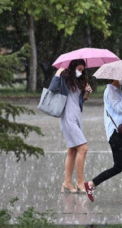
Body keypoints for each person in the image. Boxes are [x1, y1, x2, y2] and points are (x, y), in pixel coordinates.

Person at [84, 79, 122, 205]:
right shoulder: (110, 91)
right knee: (118, 166)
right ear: (116, 77)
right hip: (115, 134)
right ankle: (91, 184)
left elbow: (118, 111)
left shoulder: (117, 91)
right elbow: (118, 108)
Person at [49, 59, 92, 194]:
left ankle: (67, 182)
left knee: (72, 151)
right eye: (79, 69)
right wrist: (58, 73)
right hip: (68, 117)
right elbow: (52, 89)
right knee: (83, 148)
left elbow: (78, 101)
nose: (81, 71)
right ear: (73, 68)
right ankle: (80, 182)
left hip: (77, 116)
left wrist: (86, 93)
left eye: (82, 69)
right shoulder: (64, 79)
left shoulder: (80, 82)